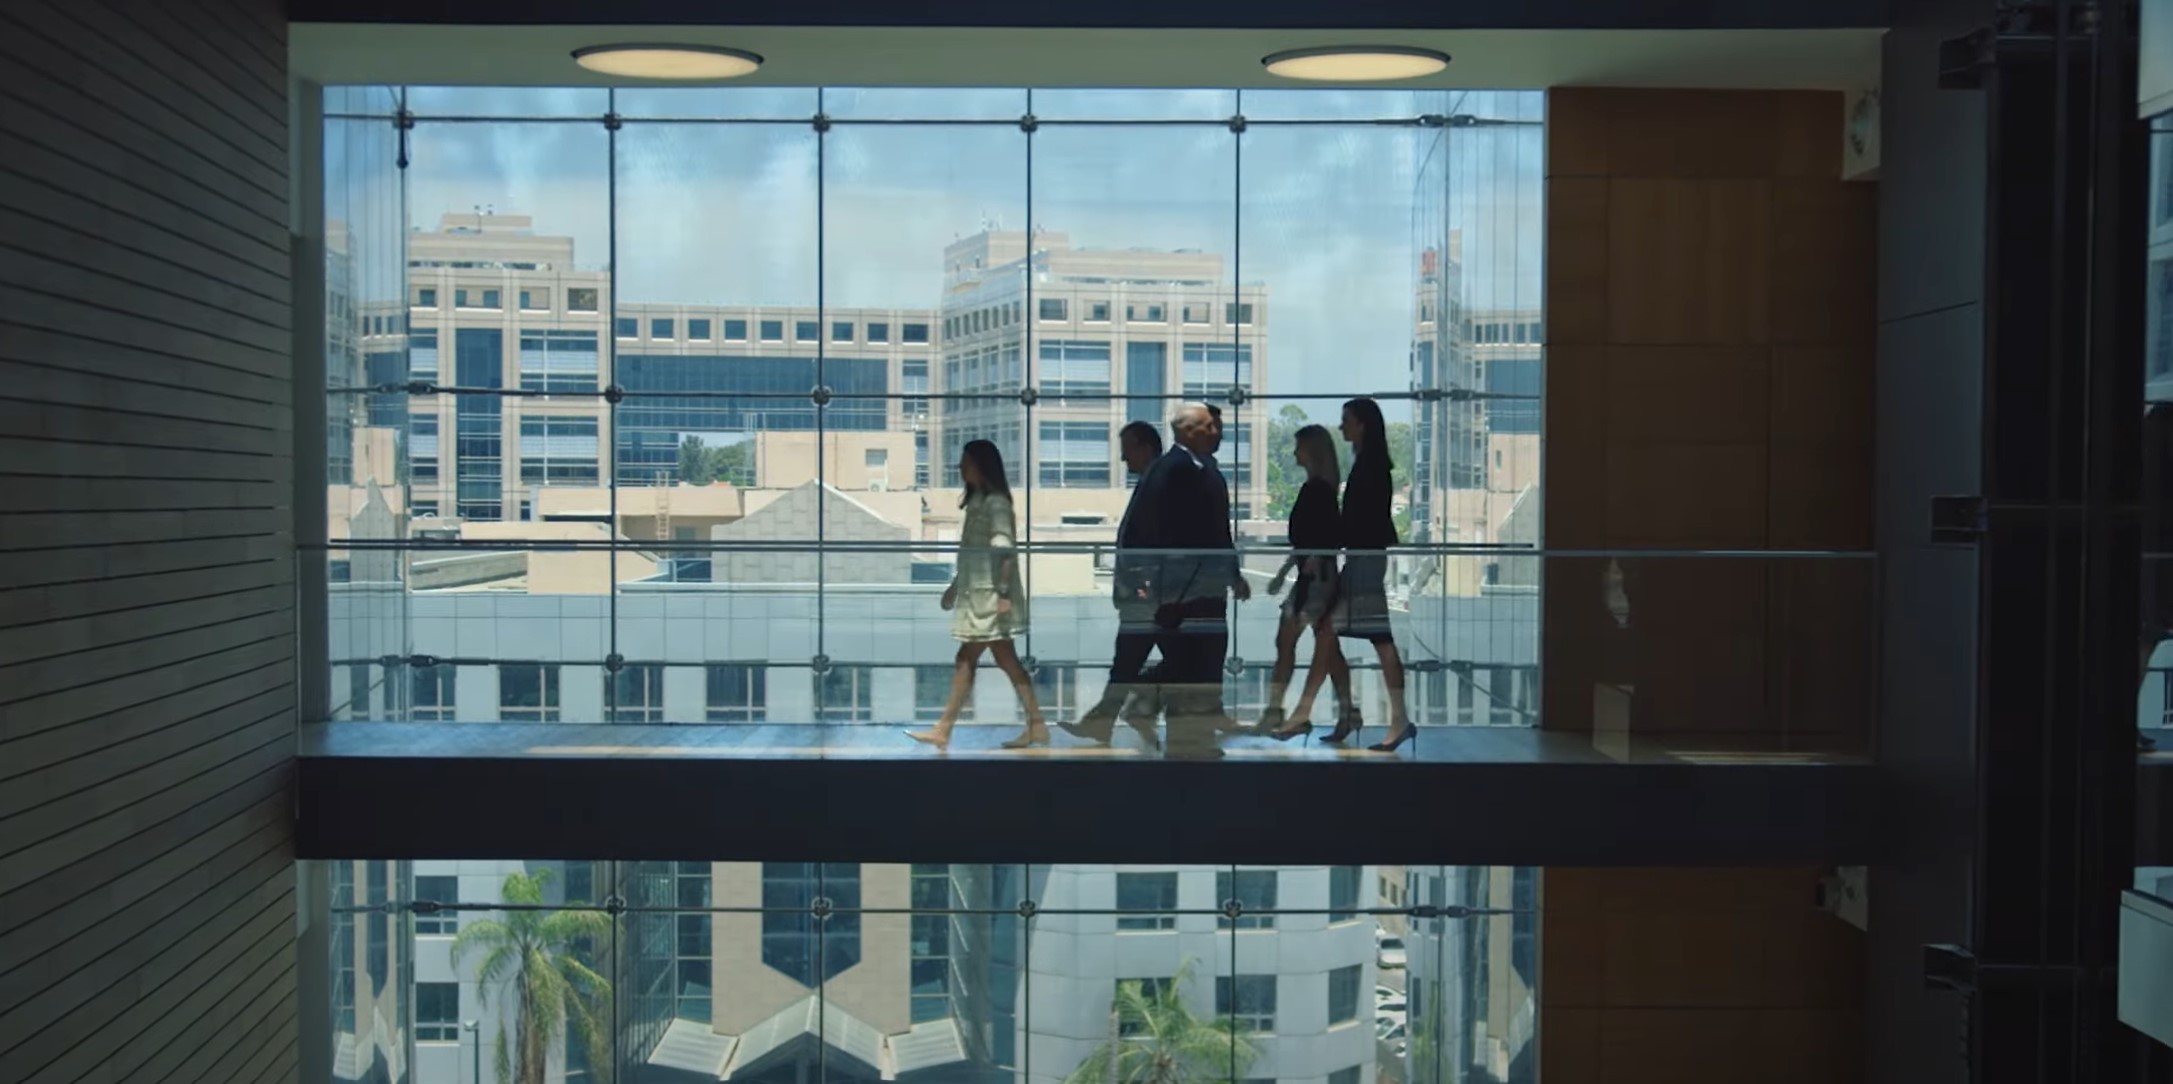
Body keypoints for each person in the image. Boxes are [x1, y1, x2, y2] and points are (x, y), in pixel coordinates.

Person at [907, 440, 1048, 751]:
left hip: (989, 601)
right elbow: (975, 554)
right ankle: (1037, 725)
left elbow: (1004, 549)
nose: (961, 468)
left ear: (980, 465)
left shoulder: (995, 503)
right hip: (981, 596)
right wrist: (956, 588)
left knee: (966, 658)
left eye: (966, 462)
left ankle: (943, 729)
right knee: (1006, 659)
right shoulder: (981, 503)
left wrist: (1001, 593)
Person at [1129, 402, 1250, 757]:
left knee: (1203, 658)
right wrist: (1149, 581)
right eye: (1208, 427)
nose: (1217, 432)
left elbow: (1217, 529)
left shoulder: (1203, 469)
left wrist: (1232, 573)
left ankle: (1186, 735)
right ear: (1185, 431)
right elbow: (1151, 528)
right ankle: (1186, 742)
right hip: (1181, 587)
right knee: (1192, 662)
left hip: (1202, 584)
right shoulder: (1173, 470)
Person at [1060, 420, 1167, 748]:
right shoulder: (1151, 482)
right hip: (1142, 592)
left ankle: (1134, 710)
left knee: (1172, 658)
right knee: (1128, 659)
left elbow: (1154, 540)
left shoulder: (1158, 484)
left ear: (1144, 447)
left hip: (1147, 593)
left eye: (1127, 451)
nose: (1124, 460)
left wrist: (1143, 587)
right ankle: (1117, 717)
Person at [1331, 397, 1417, 752]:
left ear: (1362, 424)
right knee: (1341, 632)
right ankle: (1360, 713)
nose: (1342, 427)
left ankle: (1388, 718)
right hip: (1362, 557)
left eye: (1346, 421)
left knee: (1377, 637)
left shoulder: (1372, 466)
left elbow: (1362, 518)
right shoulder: (1371, 463)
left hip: (1364, 558)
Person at [1261, 424, 1356, 739]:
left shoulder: (1319, 490)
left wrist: (1304, 562)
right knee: (1322, 648)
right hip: (1312, 577)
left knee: (1293, 641)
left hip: (1316, 579)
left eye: (1299, 447)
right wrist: (1282, 573)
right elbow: (1306, 541)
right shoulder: (1319, 488)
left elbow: (1324, 537)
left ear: (1312, 451)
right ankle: (1346, 712)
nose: (1294, 453)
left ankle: (1279, 714)